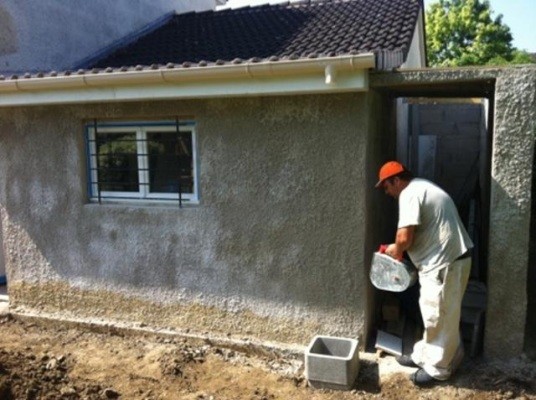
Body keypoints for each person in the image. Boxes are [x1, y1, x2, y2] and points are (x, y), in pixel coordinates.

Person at [375, 160, 473, 386]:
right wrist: (398, 249)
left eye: (387, 187)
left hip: (445, 263)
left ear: (397, 180)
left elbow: (404, 238)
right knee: (434, 314)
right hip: (448, 260)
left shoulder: (409, 194)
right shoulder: (422, 186)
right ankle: (424, 356)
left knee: (439, 315)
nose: (387, 193)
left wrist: (395, 250)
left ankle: (439, 369)